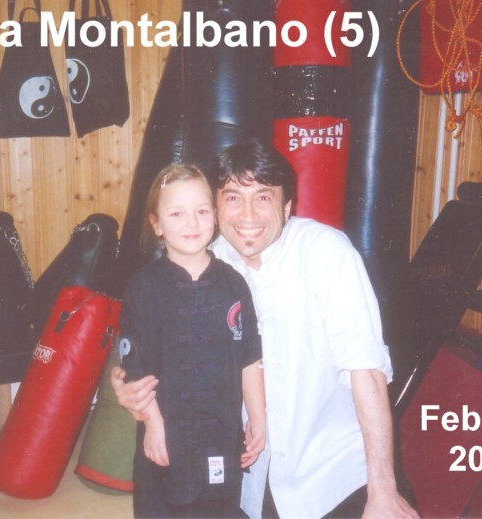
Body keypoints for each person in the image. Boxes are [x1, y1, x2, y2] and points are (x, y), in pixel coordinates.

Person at [112, 140, 419, 519]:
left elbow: (366, 370)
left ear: (287, 207)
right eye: (233, 198)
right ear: (216, 208)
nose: (247, 215)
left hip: (331, 468)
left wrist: (382, 490)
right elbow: (146, 341)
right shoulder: (204, 259)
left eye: (263, 197)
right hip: (249, 471)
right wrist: (124, 385)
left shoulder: (326, 252)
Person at [119, 163, 266, 518]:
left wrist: (258, 418)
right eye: (177, 214)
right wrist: (152, 423)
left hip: (221, 435)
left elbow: (249, 357)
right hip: (165, 433)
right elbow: (133, 365)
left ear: (214, 216)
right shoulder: (143, 287)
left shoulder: (234, 284)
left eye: (202, 211)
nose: (192, 223)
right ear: (156, 224)